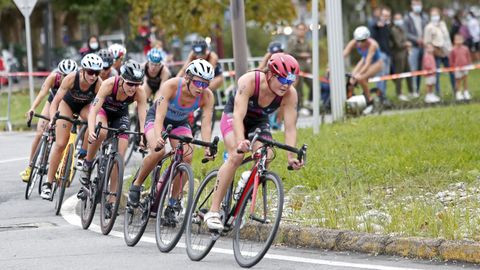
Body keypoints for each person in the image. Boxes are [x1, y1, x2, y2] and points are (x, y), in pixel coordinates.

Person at [203, 53, 304, 230]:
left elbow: (290, 128)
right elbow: (238, 115)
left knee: (268, 155)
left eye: (291, 81)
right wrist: (241, 141)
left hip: (258, 122)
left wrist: (291, 156)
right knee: (236, 156)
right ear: (271, 75)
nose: (286, 86)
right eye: (283, 80)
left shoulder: (290, 94)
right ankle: (213, 211)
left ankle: (245, 188)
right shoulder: (250, 81)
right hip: (234, 117)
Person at [127, 59, 216, 208]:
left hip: (180, 123)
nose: (201, 88)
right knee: (158, 151)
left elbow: (206, 125)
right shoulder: (171, 86)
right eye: (198, 83)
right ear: (187, 77)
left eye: (206, 84)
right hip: (157, 119)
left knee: (187, 156)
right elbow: (159, 118)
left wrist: (208, 146)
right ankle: (136, 185)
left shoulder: (207, 96)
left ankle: (173, 202)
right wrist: (158, 137)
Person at [78, 60, 148, 215]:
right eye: (130, 84)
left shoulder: (139, 92)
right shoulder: (109, 84)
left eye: (137, 84)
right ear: (122, 79)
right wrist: (90, 130)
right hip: (103, 112)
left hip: (120, 116)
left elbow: (143, 118)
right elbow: (93, 110)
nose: (133, 88)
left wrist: (143, 137)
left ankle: (111, 199)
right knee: (101, 132)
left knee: (120, 158)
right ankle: (88, 164)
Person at [40, 53, 103, 199]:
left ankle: (82, 154)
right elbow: (55, 101)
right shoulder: (71, 78)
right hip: (67, 105)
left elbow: (99, 107)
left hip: (85, 106)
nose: (93, 76)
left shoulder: (98, 83)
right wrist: (52, 118)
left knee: (94, 122)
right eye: (90, 72)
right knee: (61, 143)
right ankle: (48, 184)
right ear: (83, 70)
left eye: (97, 73)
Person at [19, 59, 78, 182]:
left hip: (67, 105)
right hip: (52, 102)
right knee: (40, 132)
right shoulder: (53, 78)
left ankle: (60, 167)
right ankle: (30, 167)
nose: (66, 78)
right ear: (59, 74)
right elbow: (42, 93)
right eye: (64, 75)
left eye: (69, 75)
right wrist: (33, 108)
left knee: (64, 138)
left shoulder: (75, 81)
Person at [343, 26, 384, 106]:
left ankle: (369, 99)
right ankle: (350, 98)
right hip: (363, 60)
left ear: (368, 38)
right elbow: (344, 53)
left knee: (360, 78)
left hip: (376, 63)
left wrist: (359, 74)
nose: (361, 43)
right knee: (351, 81)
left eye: (363, 40)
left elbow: (368, 63)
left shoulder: (373, 45)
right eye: (358, 41)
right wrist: (330, 66)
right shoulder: (354, 42)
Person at [423, 7, 455, 96]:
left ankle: (456, 91)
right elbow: (427, 42)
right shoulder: (428, 27)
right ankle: (437, 93)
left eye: (436, 15)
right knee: (436, 74)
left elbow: (447, 39)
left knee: (452, 72)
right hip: (436, 54)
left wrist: (450, 50)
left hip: (446, 53)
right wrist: (434, 50)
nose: (435, 17)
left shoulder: (443, 24)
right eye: (433, 15)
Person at [404, 0, 429, 97]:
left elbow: (428, 29)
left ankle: (418, 90)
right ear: (411, 5)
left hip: (424, 46)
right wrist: (416, 39)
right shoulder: (407, 18)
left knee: (420, 70)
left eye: (419, 4)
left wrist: (425, 39)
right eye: (415, 4)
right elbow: (406, 33)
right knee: (413, 69)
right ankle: (413, 91)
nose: (417, 6)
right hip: (413, 47)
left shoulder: (425, 17)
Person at [287, 23, 312, 109]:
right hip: (296, 67)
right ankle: (299, 107)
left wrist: (309, 56)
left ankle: (310, 102)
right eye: (300, 29)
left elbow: (310, 52)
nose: (301, 31)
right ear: (296, 30)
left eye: (303, 29)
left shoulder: (306, 41)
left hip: (307, 67)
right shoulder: (293, 40)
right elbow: (289, 53)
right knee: (299, 88)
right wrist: (301, 54)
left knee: (313, 84)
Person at [390, 12, 413, 101]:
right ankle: (399, 93)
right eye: (397, 18)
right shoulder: (394, 30)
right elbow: (398, 44)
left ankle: (411, 92)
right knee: (399, 75)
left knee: (408, 73)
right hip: (398, 55)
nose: (399, 20)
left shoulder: (402, 29)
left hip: (405, 53)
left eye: (400, 18)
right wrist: (406, 44)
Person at [371, 7, 392, 101]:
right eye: (384, 15)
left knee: (385, 76)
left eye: (387, 16)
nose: (386, 17)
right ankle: (380, 96)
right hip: (380, 54)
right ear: (380, 16)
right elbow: (373, 26)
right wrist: (378, 24)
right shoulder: (376, 24)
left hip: (388, 54)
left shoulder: (387, 26)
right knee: (380, 76)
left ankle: (383, 95)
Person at [450, 34, 472, 101]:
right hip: (457, 68)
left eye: (460, 39)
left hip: (465, 67)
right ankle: (458, 93)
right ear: (454, 41)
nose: (459, 41)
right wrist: (453, 67)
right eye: (457, 40)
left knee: (465, 80)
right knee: (458, 81)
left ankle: (466, 92)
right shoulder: (453, 50)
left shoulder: (465, 48)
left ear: (463, 40)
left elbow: (468, 57)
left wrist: (469, 65)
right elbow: (451, 59)